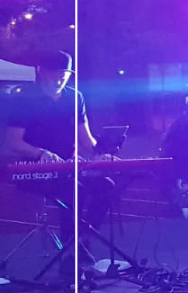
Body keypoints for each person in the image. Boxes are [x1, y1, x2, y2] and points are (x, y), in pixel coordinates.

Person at [3, 51, 110, 266]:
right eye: (55, 74)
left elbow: (86, 140)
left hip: (67, 167)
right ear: (41, 72)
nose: (60, 79)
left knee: (106, 186)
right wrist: (41, 153)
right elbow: (13, 142)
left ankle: (81, 240)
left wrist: (102, 152)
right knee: (73, 189)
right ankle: (69, 254)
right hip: (34, 168)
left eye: (65, 74)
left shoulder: (75, 97)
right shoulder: (24, 99)